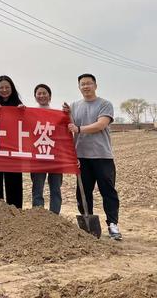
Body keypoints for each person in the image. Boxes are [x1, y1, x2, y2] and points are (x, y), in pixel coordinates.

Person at [64, 73, 122, 240]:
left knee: (108, 191)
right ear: (79, 87)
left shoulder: (105, 104)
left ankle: (113, 224)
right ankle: (87, 222)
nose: (86, 87)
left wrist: (79, 129)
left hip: (102, 156)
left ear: (95, 85)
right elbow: (67, 124)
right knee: (83, 192)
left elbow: (101, 124)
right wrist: (65, 113)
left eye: (89, 83)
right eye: (83, 84)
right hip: (81, 157)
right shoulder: (74, 106)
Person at [0, 75, 24, 208]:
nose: (4, 90)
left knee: (14, 180)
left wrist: (23, 112)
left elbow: (27, 125)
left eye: (7, 87)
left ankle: (15, 211)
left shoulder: (19, 105)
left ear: (12, 88)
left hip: (13, 149)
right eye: (1, 87)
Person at [30, 84, 63, 214]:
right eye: (39, 93)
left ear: (50, 95)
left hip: (56, 156)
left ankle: (55, 216)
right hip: (38, 156)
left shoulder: (58, 114)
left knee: (55, 188)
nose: (42, 96)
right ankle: (39, 215)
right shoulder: (30, 112)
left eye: (44, 93)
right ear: (35, 96)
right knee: (37, 187)